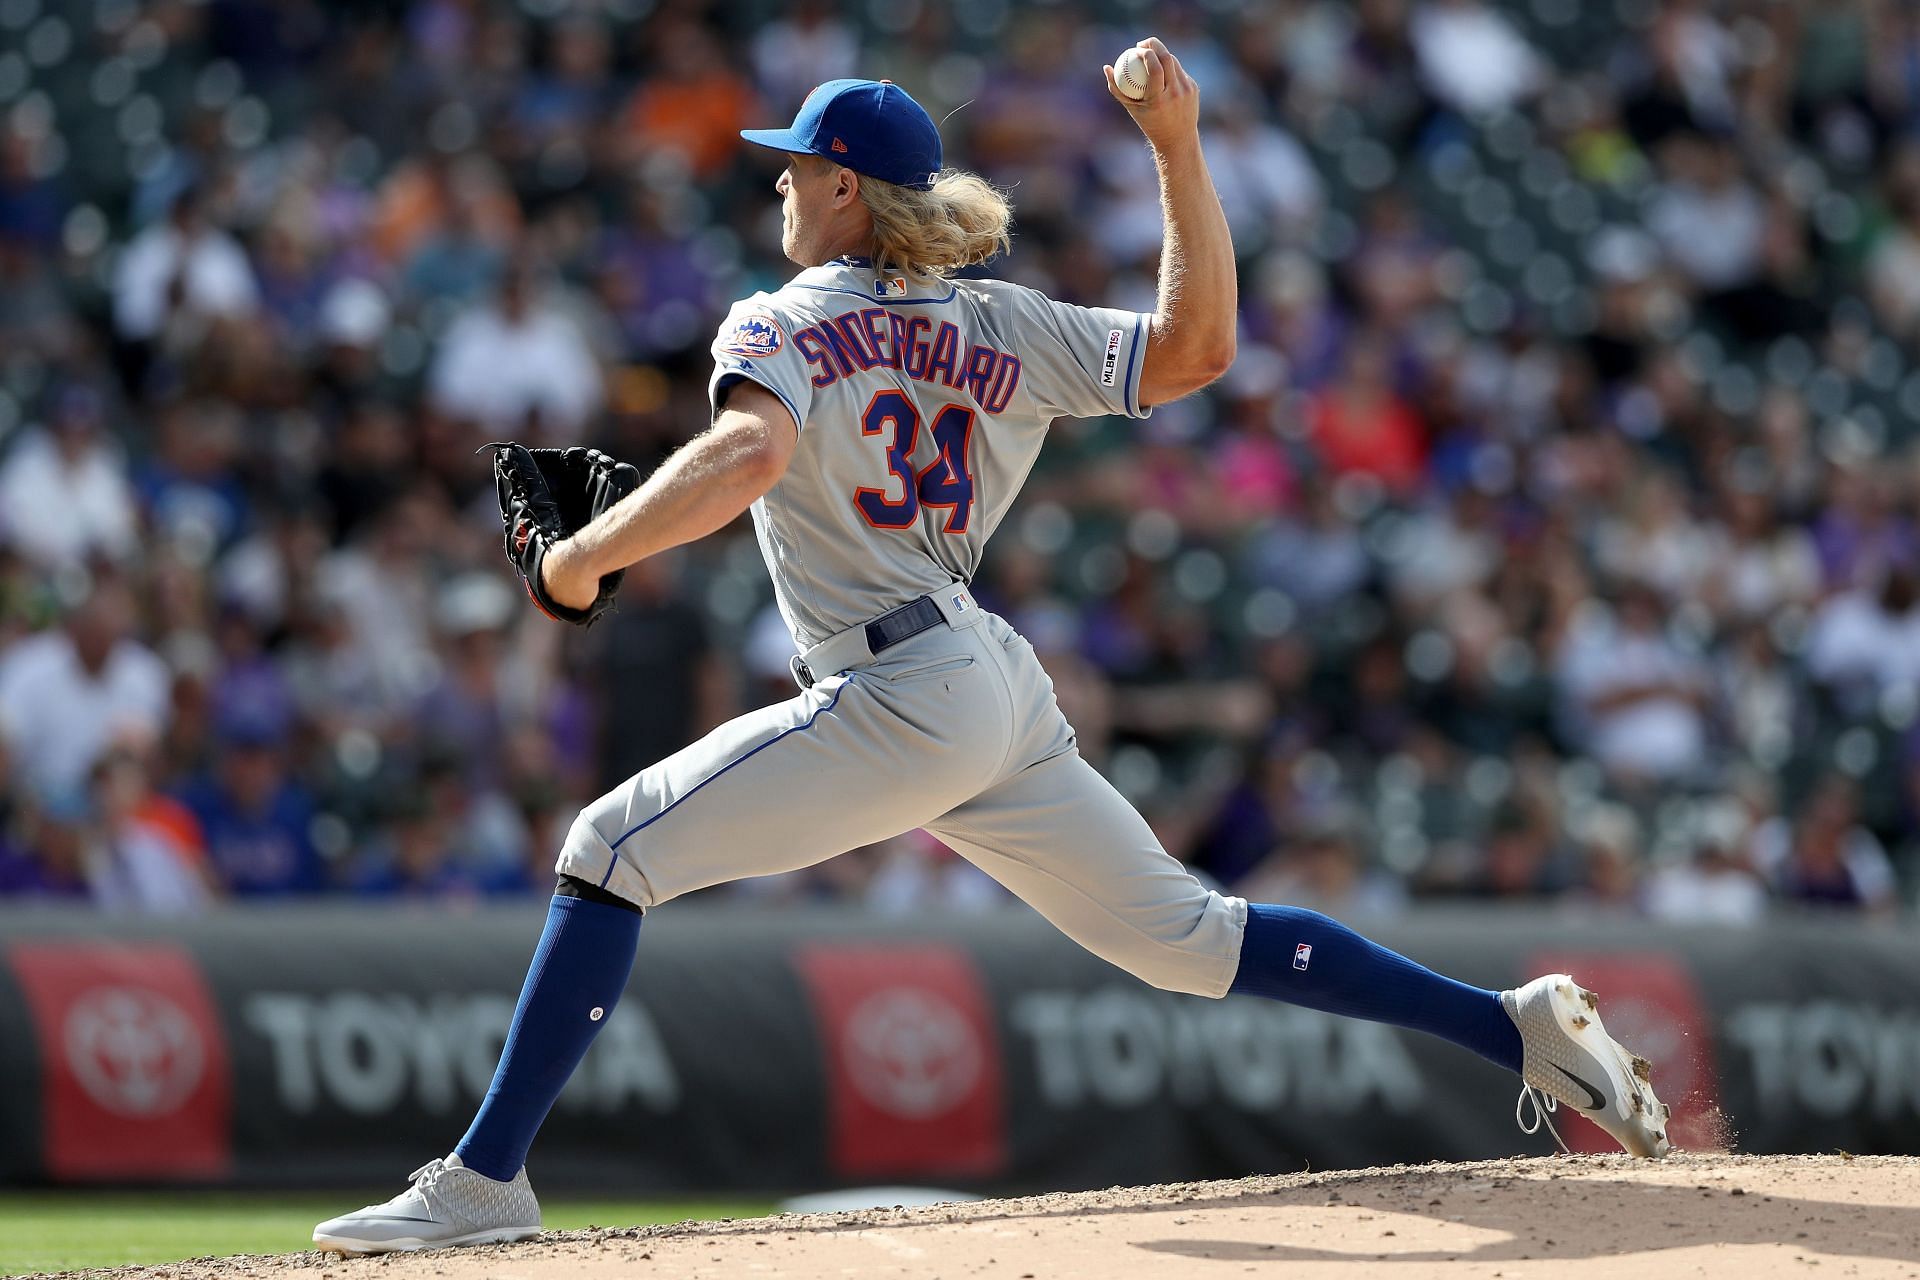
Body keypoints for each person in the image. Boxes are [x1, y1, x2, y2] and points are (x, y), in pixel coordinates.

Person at [314, 41, 1670, 1256]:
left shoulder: (776, 319)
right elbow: (1198, 351)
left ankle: (485, 1181)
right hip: (986, 679)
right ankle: (1513, 1025)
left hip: (898, 685)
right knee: (1190, 941)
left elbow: (747, 452)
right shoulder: (1000, 320)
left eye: (798, 165)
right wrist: (1177, 151)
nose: (779, 184)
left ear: (847, 189)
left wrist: (576, 559)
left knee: (607, 853)